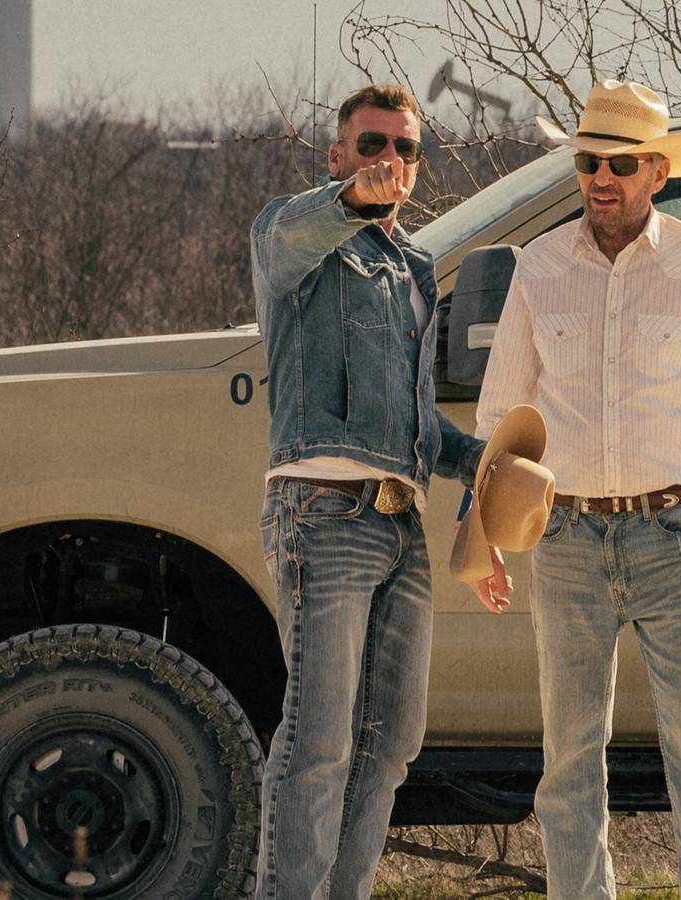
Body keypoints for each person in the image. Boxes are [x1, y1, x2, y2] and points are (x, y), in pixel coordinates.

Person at [472, 80, 681, 898]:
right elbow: (501, 413)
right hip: (565, 539)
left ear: (657, 172)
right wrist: (483, 538)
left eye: (619, 163)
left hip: (674, 533)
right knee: (568, 755)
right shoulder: (538, 267)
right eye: (587, 161)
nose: (600, 178)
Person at [249, 83, 492, 899]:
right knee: (317, 741)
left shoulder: (417, 269)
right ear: (338, 156)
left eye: (406, 149)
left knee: (390, 745)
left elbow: (415, 421)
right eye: (371, 145)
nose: (390, 161)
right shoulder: (296, 237)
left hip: (401, 523)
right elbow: (295, 233)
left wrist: (486, 463)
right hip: (321, 513)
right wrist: (351, 200)